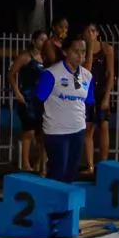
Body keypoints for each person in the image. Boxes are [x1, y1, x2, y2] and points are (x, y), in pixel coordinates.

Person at [36, 34, 94, 183]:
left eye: (83, 51)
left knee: (70, 174)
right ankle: (52, 205)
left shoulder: (87, 76)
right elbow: (38, 100)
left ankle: (66, 206)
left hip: (77, 131)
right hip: (56, 132)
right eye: (76, 51)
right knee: (57, 172)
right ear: (65, 52)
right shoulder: (51, 74)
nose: (80, 55)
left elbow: (88, 101)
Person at [8, 31, 47, 173]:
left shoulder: (46, 58)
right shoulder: (26, 56)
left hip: (41, 100)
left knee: (42, 133)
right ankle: (25, 163)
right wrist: (18, 93)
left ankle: (39, 163)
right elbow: (11, 74)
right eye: (41, 40)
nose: (44, 43)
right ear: (34, 40)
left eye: (45, 40)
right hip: (27, 98)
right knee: (28, 131)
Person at [82, 22, 115, 175]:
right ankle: (90, 166)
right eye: (87, 31)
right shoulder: (81, 50)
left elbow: (110, 75)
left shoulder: (107, 49)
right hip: (87, 92)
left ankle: (103, 164)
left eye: (93, 31)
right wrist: (88, 49)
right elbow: (86, 71)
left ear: (98, 33)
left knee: (104, 126)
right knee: (88, 129)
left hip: (101, 91)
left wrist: (107, 97)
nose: (90, 34)